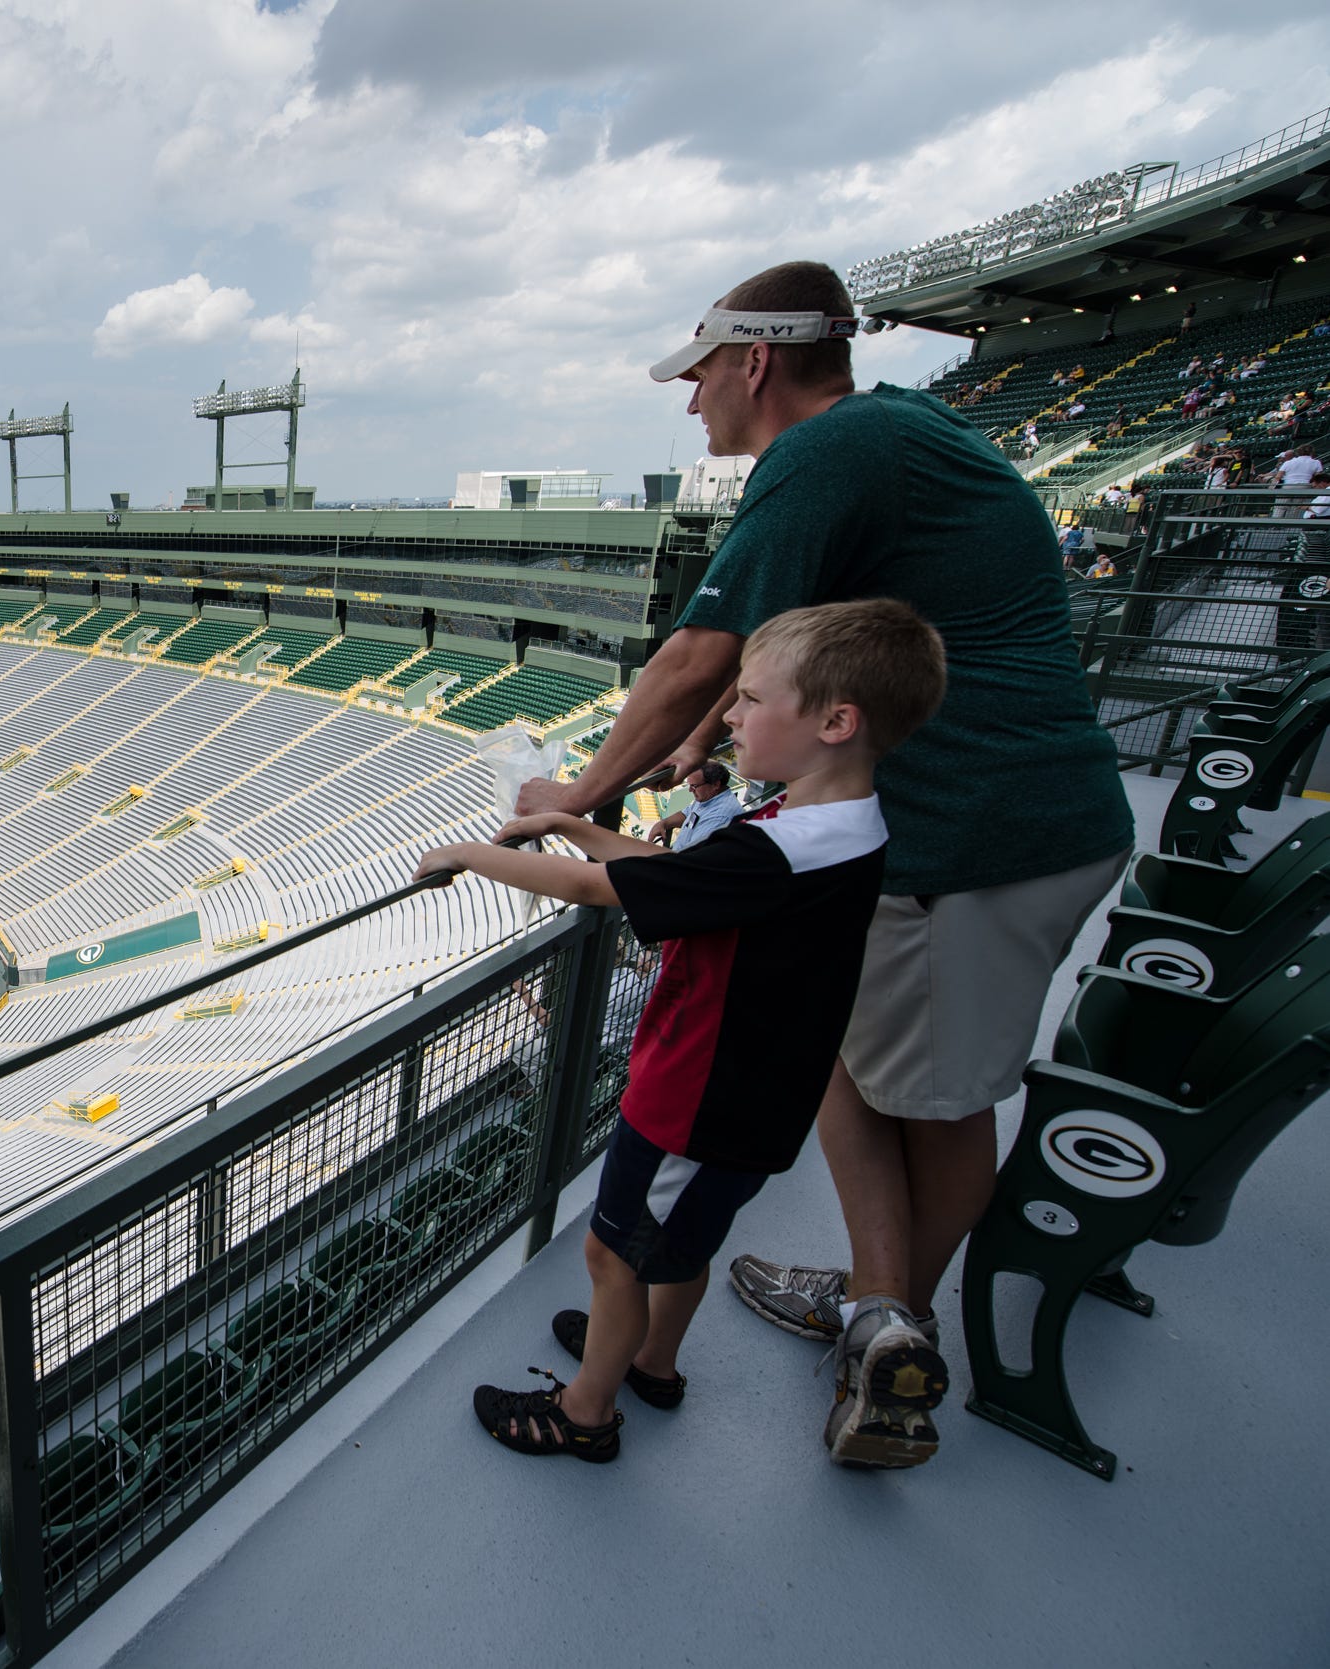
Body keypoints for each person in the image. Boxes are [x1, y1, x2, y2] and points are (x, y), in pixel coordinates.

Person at [515, 259, 1135, 1468]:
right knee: (852, 1063)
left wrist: (578, 795)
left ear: (753, 361)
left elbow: (700, 649)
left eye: (697, 375)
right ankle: (875, 1294)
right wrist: (701, 747)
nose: (689, 403)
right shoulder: (893, 433)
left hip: (981, 837)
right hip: (999, 824)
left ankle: (883, 1327)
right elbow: (762, 661)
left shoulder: (822, 453)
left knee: (939, 1099)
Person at [420, 599, 947, 1465]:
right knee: (680, 1243)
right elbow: (695, 876)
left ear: (833, 721)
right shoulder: (838, 824)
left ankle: (587, 1411)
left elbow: (604, 894)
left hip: (697, 1100)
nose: (730, 719)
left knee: (609, 1251)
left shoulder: (779, 848)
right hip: (758, 1098)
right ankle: (651, 1361)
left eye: (749, 700)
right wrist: (574, 825)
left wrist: (471, 854)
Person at [647, 760, 740, 849]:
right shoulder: (708, 797)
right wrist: (663, 823)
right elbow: (687, 814)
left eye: (694, 786)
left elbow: (692, 854)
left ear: (715, 785)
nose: (690, 790)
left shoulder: (719, 818)